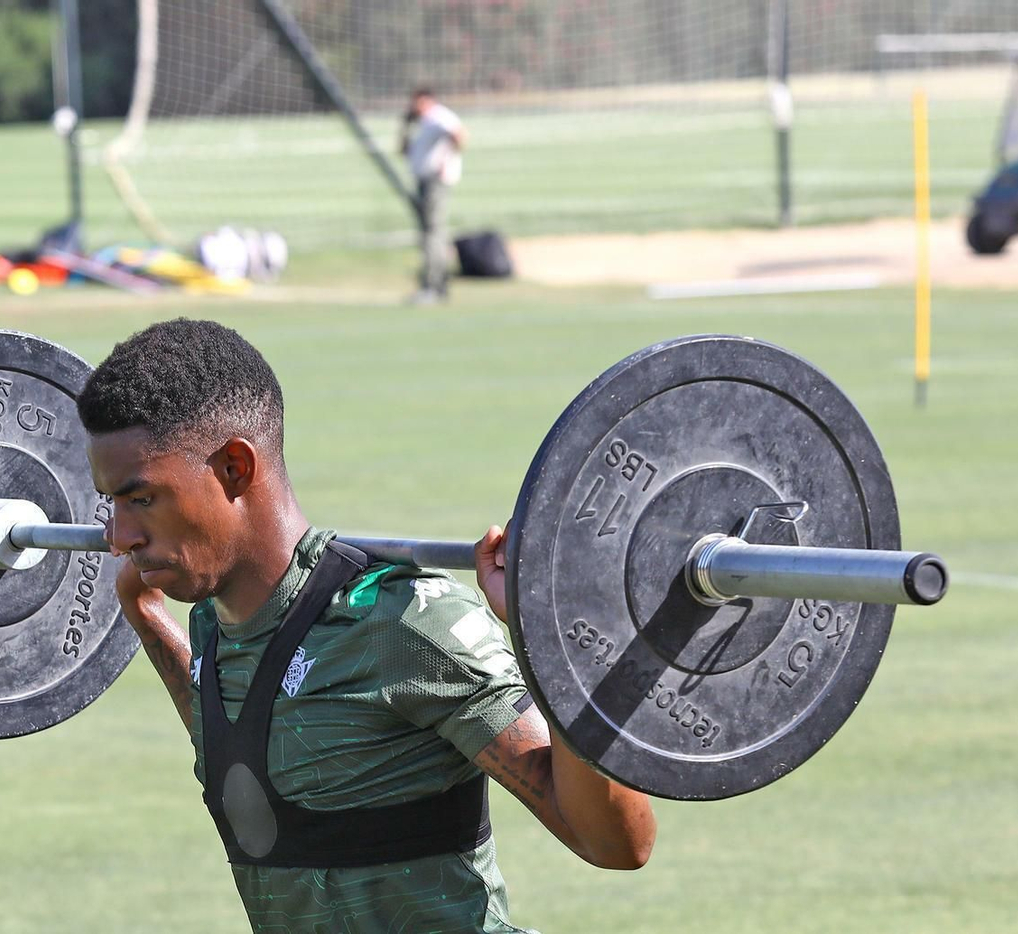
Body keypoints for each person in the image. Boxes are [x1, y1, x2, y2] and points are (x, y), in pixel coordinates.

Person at [77, 319, 656, 933]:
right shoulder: (215, 626)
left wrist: (548, 637)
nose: (118, 537)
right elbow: (252, 748)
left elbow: (619, 845)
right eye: (111, 503)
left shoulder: (404, 623)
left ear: (235, 470)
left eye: (140, 500)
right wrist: (145, 617)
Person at [401, 87, 466, 304]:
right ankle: (435, 283)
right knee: (429, 232)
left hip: (435, 182)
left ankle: (433, 285)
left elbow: (459, 134)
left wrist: (446, 161)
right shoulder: (423, 122)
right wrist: (405, 126)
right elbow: (403, 150)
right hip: (423, 180)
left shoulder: (439, 116)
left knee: (432, 232)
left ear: (426, 100)